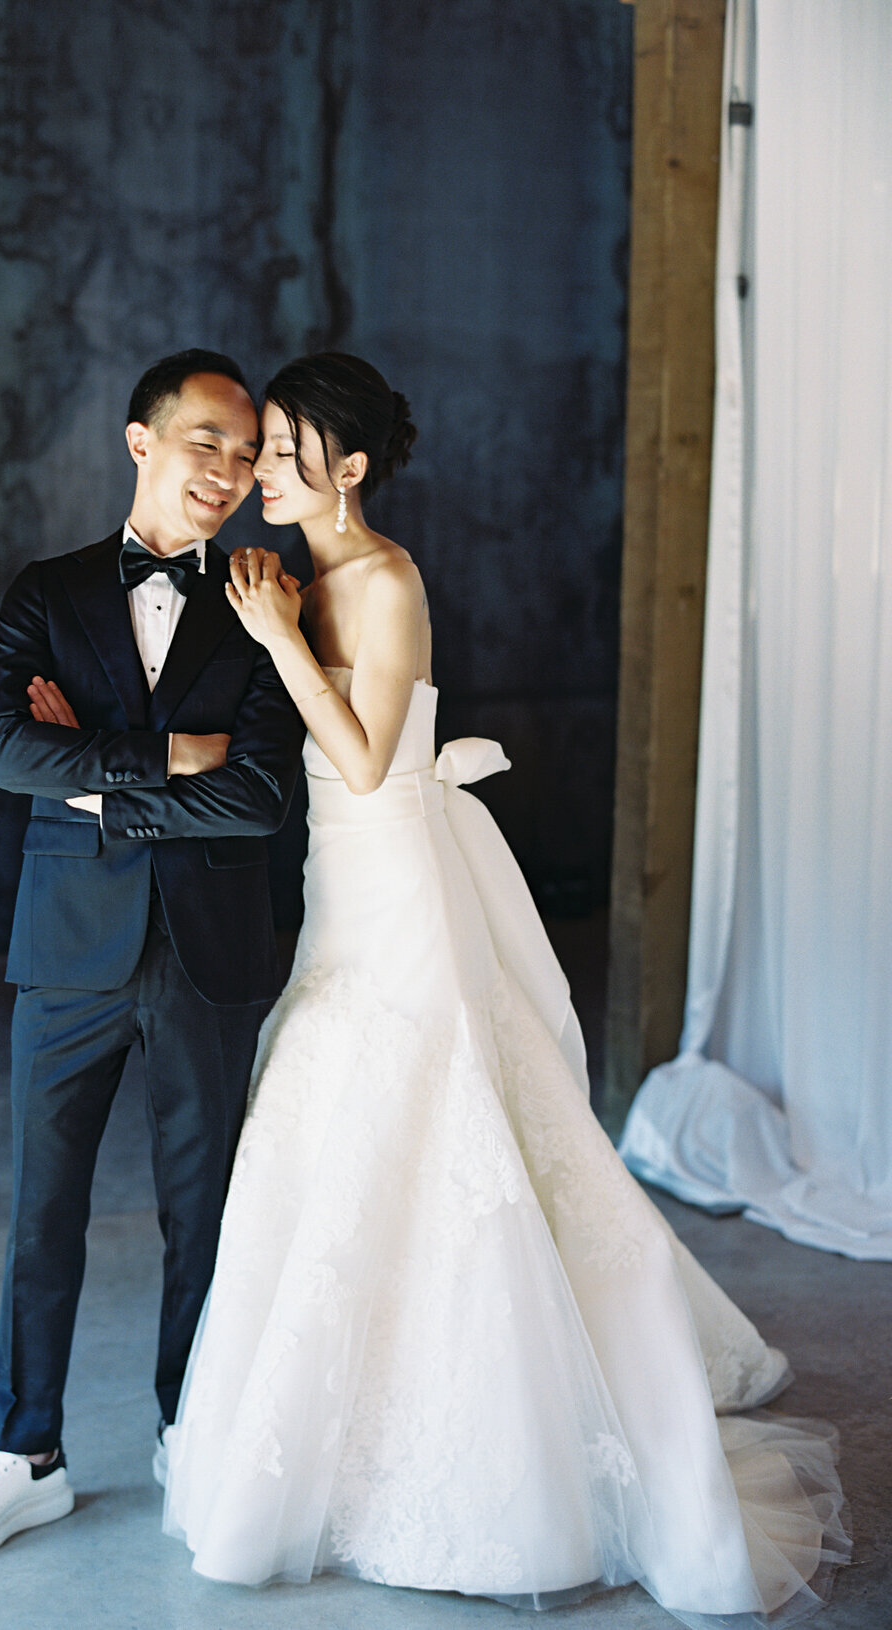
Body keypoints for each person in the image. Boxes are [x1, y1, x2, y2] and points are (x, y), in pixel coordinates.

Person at [160, 352, 850, 1626]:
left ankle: (504, 1449)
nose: (259, 469)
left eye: (283, 450)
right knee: (337, 1117)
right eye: (260, 450)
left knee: (426, 1112)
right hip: (343, 884)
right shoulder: (304, 577)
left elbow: (367, 761)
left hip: (397, 875)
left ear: (348, 470)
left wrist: (274, 639)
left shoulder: (383, 578)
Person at [0, 349, 304, 1562]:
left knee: (206, 1215)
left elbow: (262, 796)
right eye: (207, 444)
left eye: (247, 455)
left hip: (208, 950)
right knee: (44, 1213)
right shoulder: (46, 588)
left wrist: (112, 779)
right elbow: (10, 754)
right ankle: (22, 1454)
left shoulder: (261, 595)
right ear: (141, 442)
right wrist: (174, 755)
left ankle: (194, 1433)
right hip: (69, 948)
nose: (230, 472)